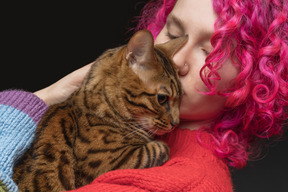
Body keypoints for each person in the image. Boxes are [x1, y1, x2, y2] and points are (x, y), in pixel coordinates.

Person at [0, 0, 287, 191]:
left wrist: (37, 101)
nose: (176, 61)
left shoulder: (175, 182)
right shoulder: (136, 125)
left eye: (209, 51)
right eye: (173, 32)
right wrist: (50, 95)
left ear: (250, 78)